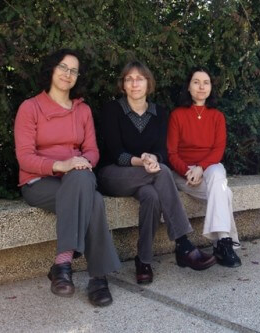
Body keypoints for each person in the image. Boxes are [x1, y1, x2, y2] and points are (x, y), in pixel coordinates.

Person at [14, 49, 121, 307]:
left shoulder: (82, 110)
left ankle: (62, 265)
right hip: (39, 182)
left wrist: (84, 163)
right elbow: (25, 157)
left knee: (83, 180)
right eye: (63, 67)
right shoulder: (30, 108)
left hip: (77, 179)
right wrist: (62, 164)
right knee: (93, 200)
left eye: (73, 70)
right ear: (52, 69)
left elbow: (92, 150)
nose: (68, 74)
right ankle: (98, 276)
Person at [97, 61, 216, 285]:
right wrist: (142, 161)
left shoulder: (159, 113)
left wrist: (154, 159)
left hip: (148, 174)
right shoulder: (112, 110)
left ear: (148, 83)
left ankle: (143, 261)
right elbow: (115, 152)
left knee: (152, 196)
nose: (134, 84)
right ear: (123, 85)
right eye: (129, 79)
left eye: (139, 79)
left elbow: (162, 151)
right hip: (113, 174)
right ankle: (182, 242)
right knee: (162, 173)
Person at [167, 67, 241, 268]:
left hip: (209, 170)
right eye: (196, 82)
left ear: (210, 88)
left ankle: (223, 243)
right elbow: (171, 153)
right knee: (225, 194)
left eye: (206, 82)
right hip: (184, 174)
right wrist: (188, 171)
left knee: (217, 171)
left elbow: (218, 150)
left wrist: (201, 167)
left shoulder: (217, 116)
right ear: (189, 87)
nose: (201, 86)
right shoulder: (177, 115)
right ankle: (224, 244)